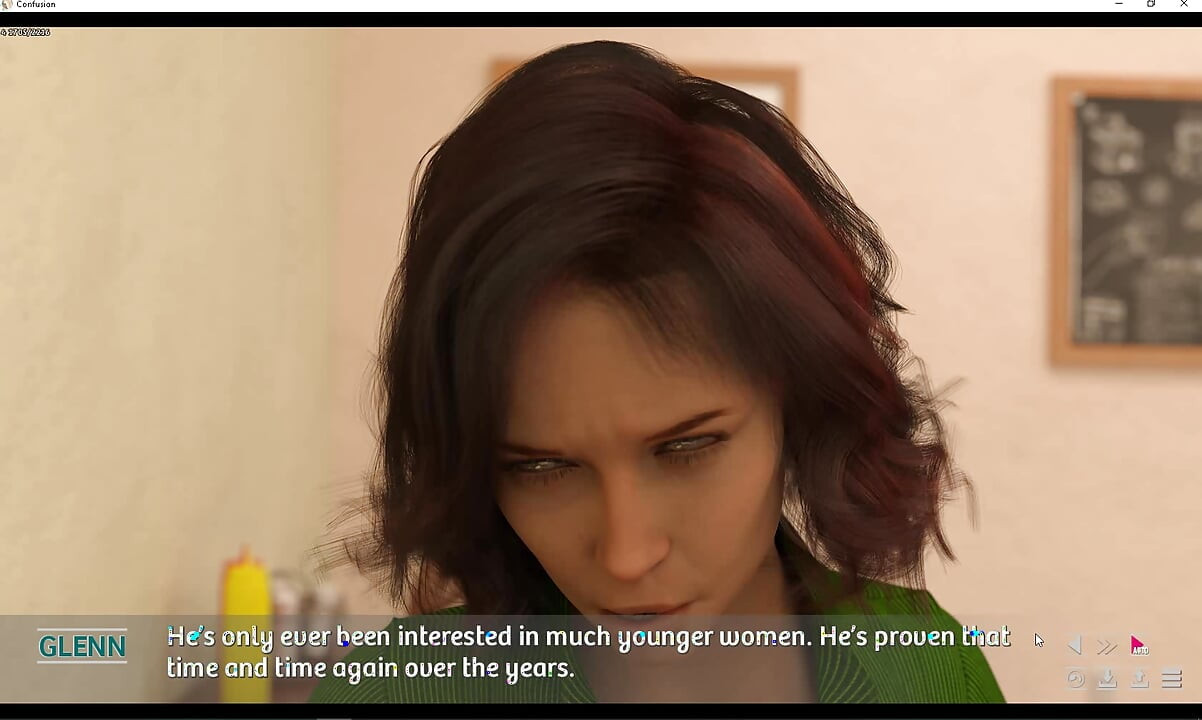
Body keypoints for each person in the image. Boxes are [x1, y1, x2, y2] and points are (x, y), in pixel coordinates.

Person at [311, 39, 1004, 704]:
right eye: (541, 468)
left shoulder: (927, 665)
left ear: (798, 407)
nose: (627, 555)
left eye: (686, 448)